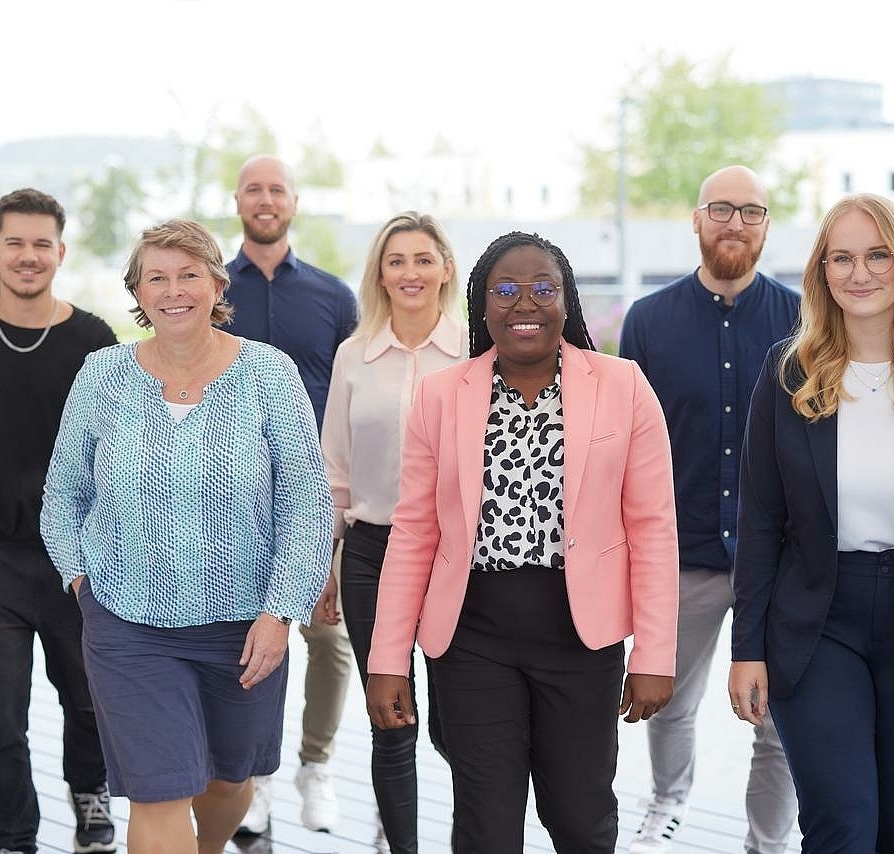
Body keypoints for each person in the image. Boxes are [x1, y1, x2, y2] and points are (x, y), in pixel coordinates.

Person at [366, 231, 680, 854]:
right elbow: (414, 533)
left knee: (580, 816)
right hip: (471, 638)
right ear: (481, 306)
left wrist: (655, 653)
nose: (524, 304)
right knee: (486, 824)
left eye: (543, 288)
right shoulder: (440, 395)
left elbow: (653, 528)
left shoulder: (624, 385)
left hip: (581, 639)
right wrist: (385, 658)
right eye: (504, 291)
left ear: (568, 303)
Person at [40, 219, 333, 854]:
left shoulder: (269, 376)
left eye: (189, 274)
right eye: (157, 278)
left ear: (216, 283)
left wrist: (282, 611)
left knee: (229, 782)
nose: (174, 290)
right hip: (126, 620)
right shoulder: (102, 376)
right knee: (159, 789)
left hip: (243, 626)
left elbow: (305, 508)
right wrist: (81, 577)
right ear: (138, 293)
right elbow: (64, 493)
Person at [618, 165, 799, 854]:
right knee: (667, 701)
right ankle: (666, 802)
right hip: (681, 552)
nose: (734, 223)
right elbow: (629, 450)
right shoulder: (648, 321)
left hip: (778, 559)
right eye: (720, 209)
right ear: (695, 220)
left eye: (750, 211)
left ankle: (766, 841)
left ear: (765, 227)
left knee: (776, 721)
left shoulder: (801, 319)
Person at [730, 192, 894, 852]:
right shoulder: (787, 373)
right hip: (816, 620)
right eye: (842, 257)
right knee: (843, 821)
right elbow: (761, 520)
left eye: (877, 254)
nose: (860, 273)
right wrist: (745, 648)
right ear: (820, 271)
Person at [0, 188, 118, 854]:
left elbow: (121, 453)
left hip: (76, 557)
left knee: (88, 701)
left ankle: (91, 799)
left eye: (41, 244)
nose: (28, 256)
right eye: (15, 242)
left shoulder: (94, 342)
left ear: (59, 253)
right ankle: (9, 837)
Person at [321, 212, 466, 853]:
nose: (410, 272)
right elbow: (336, 471)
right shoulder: (354, 356)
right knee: (391, 719)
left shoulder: (475, 351)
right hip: (372, 554)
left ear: (445, 270)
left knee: (463, 720)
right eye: (396, 260)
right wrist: (325, 564)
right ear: (379, 273)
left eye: (422, 259)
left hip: (459, 555)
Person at [226, 154, 357, 836]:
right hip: (231, 498)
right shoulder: (211, 290)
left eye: (277, 189)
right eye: (254, 188)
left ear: (295, 202)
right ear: (238, 201)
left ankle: (316, 764)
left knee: (327, 640)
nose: (266, 198)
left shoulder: (334, 298)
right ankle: (256, 777)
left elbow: (351, 399)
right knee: (248, 639)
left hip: (315, 495)